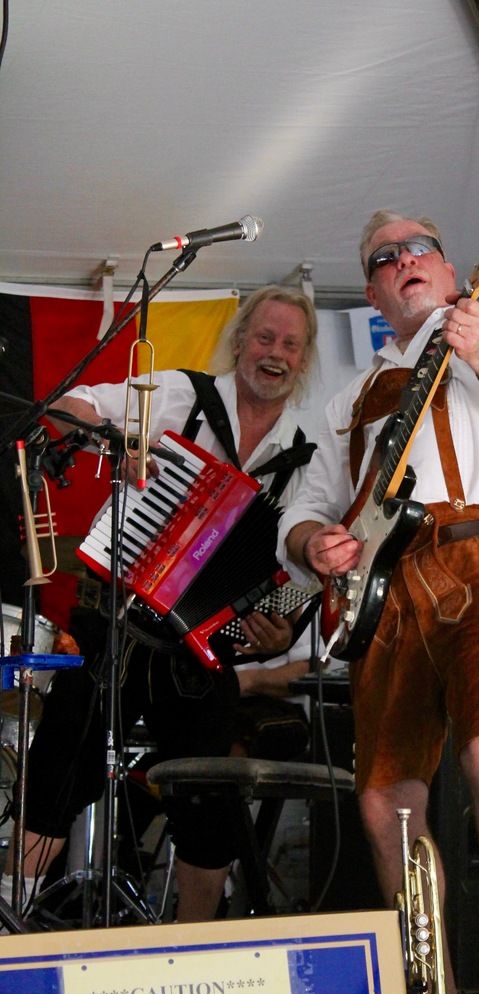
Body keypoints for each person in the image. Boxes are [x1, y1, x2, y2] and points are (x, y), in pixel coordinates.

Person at [280, 210, 479, 994]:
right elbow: (303, 506)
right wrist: (314, 542)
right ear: (372, 291)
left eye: (419, 249)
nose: (404, 260)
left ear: (448, 268)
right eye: (385, 257)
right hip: (387, 584)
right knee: (385, 795)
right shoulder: (348, 396)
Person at [2, 284, 319, 925]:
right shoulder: (179, 395)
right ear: (240, 342)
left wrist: (281, 631)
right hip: (115, 619)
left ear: (304, 358)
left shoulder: (302, 461)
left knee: (209, 800)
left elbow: (294, 576)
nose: (276, 353)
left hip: (197, 651)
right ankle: (12, 930)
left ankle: (194, 942)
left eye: (291, 344)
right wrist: (118, 446)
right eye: (265, 337)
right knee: (57, 769)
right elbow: (69, 407)